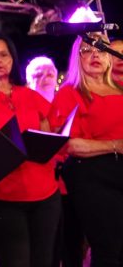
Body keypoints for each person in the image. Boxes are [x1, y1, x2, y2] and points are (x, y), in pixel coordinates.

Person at [0, 33, 61, 267]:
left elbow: (50, 131)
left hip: (45, 194)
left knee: (43, 261)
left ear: (12, 59)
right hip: (3, 196)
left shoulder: (29, 94)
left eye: (4, 55)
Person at [49, 35, 123, 267]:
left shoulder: (121, 90)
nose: (95, 55)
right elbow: (69, 145)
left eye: (101, 49)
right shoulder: (70, 93)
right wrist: (115, 145)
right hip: (91, 175)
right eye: (87, 50)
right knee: (108, 248)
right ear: (77, 58)